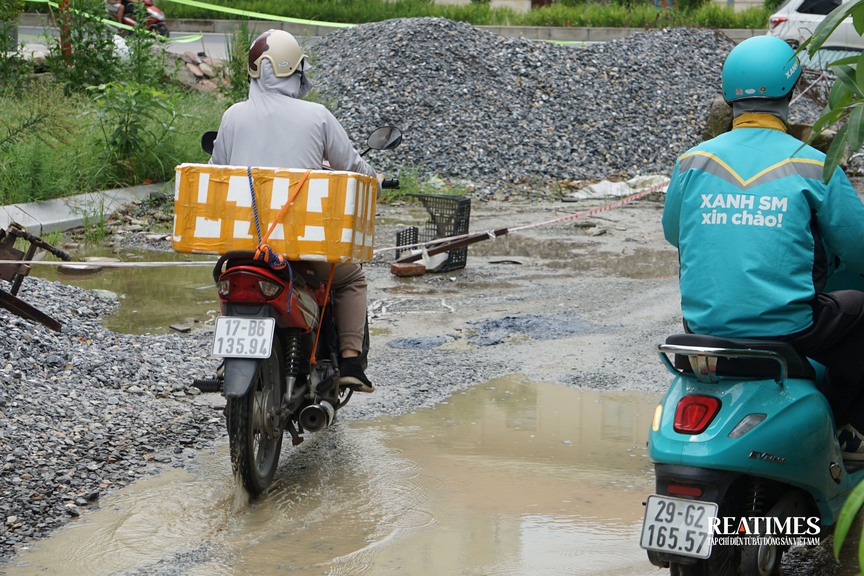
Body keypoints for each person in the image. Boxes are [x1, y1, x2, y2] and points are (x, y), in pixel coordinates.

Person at [662, 35, 864, 459]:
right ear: (792, 91)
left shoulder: (693, 162)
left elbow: (673, 233)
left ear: (728, 94)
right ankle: (847, 431)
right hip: (787, 331)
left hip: (702, 329)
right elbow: (857, 249)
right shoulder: (812, 164)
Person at [209, 29, 379, 393]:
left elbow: (217, 171)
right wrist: (374, 178)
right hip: (301, 246)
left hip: (246, 245)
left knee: (231, 282)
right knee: (350, 279)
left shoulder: (232, 116)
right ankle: (351, 361)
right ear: (295, 71)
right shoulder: (317, 115)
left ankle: (230, 359)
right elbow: (351, 166)